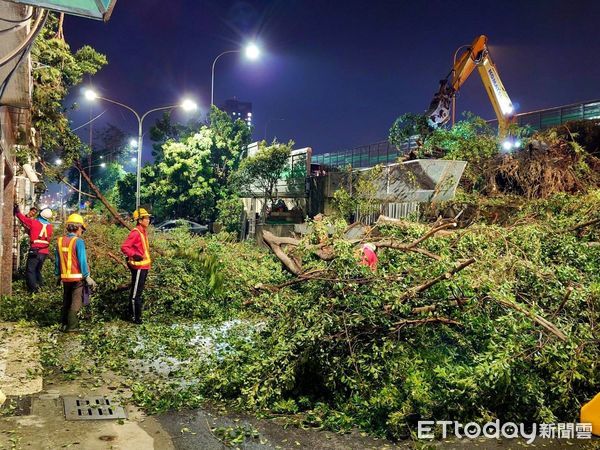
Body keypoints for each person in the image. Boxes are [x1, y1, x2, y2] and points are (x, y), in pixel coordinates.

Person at [55, 213, 97, 332]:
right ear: (78, 228)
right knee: (76, 302)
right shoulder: (78, 242)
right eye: (82, 229)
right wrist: (87, 276)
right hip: (77, 278)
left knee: (66, 300)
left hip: (65, 278)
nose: (82, 232)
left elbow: (58, 260)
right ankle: (72, 327)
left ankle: (63, 324)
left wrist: (58, 275)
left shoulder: (60, 241)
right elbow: (82, 260)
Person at [121, 208, 152, 324]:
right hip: (139, 267)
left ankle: (135, 316)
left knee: (137, 293)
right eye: (146, 218)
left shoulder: (143, 231)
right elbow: (125, 247)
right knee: (135, 295)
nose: (148, 220)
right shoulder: (136, 232)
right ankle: (135, 318)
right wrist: (135, 255)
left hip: (144, 267)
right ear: (139, 220)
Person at [14, 205, 54, 293]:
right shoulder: (50, 227)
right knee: (37, 270)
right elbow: (40, 236)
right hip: (44, 252)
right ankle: (41, 288)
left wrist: (17, 211)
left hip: (35, 251)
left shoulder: (34, 223)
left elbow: (23, 219)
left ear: (40, 214)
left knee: (30, 270)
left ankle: (33, 291)